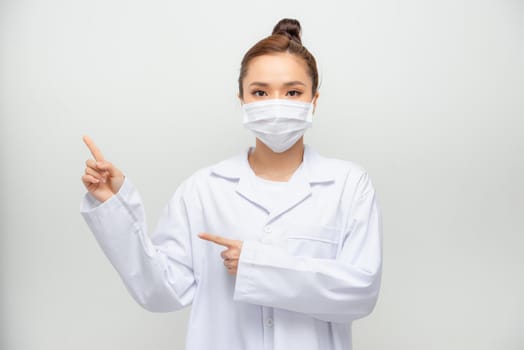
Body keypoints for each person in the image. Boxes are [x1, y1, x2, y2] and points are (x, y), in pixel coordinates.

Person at [80, 18, 382, 350]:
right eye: (260, 92)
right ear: (241, 98)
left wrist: (257, 266)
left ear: (314, 100)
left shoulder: (348, 185)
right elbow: (160, 291)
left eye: (293, 92)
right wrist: (115, 207)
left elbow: (359, 292)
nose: (276, 103)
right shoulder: (203, 190)